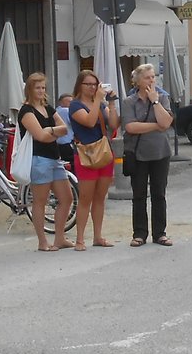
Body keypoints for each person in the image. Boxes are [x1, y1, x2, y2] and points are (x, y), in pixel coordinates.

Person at [17, 72, 72, 252]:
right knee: (40, 201)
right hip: (39, 159)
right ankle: (42, 241)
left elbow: (64, 129)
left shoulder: (48, 108)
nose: (41, 91)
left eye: (43, 87)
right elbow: (40, 136)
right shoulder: (26, 111)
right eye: (37, 87)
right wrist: (52, 131)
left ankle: (59, 238)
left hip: (54, 158)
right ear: (30, 90)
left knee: (67, 198)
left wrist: (50, 130)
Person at [122, 62, 174, 247]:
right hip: (138, 153)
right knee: (139, 194)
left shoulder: (162, 98)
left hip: (160, 152)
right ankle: (140, 233)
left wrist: (156, 101)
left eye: (153, 77)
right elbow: (130, 127)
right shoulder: (129, 102)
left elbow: (166, 122)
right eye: (147, 77)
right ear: (137, 81)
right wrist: (156, 127)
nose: (152, 80)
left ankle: (160, 233)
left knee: (159, 193)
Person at [68, 69, 120, 250]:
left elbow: (114, 125)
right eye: (88, 84)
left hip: (104, 151)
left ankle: (98, 236)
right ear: (80, 86)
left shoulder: (101, 105)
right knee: (85, 197)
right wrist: (98, 99)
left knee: (100, 197)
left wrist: (111, 104)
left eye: (94, 84)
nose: (91, 88)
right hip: (86, 153)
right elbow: (89, 122)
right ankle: (80, 239)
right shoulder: (75, 105)